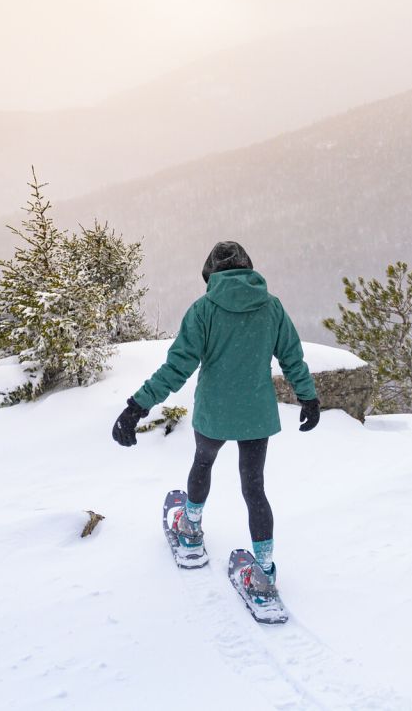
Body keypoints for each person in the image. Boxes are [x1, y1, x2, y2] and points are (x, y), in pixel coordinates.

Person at [110, 241, 320, 603]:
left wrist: (136, 407)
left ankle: (189, 528)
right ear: (248, 268)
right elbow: (292, 357)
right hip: (256, 415)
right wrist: (309, 397)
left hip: (214, 413)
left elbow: (176, 368)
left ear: (210, 273)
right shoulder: (271, 308)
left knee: (203, 462)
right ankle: (265, 574)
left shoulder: (204, 310)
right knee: (254, 489)